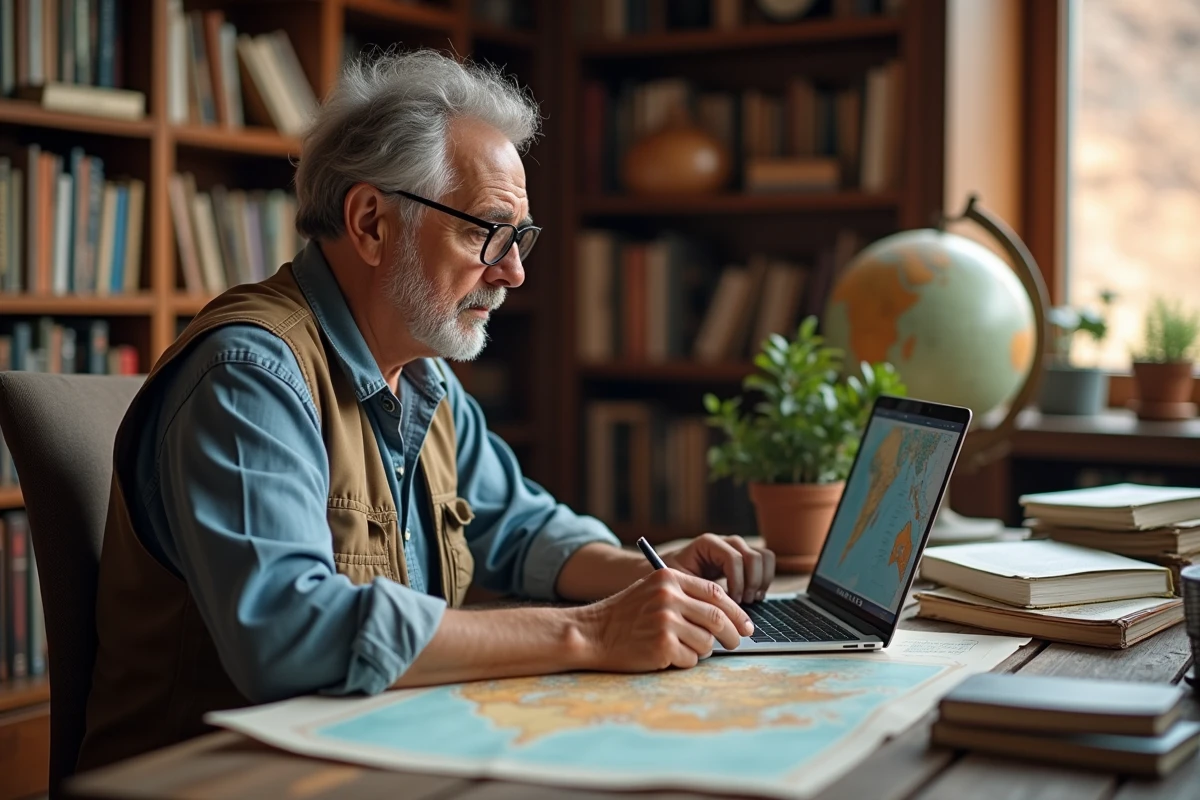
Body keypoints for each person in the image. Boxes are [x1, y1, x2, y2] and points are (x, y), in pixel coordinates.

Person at [75, 50, 775, 772]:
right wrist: (592, 633)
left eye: (520, 237)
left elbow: (523, 531)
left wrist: (643, 575)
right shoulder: (249, 375)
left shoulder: (422, 375)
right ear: (373, 222)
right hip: (213, 779)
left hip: (367, 754)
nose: (513, 272)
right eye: (487, 232)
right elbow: (287, 632)